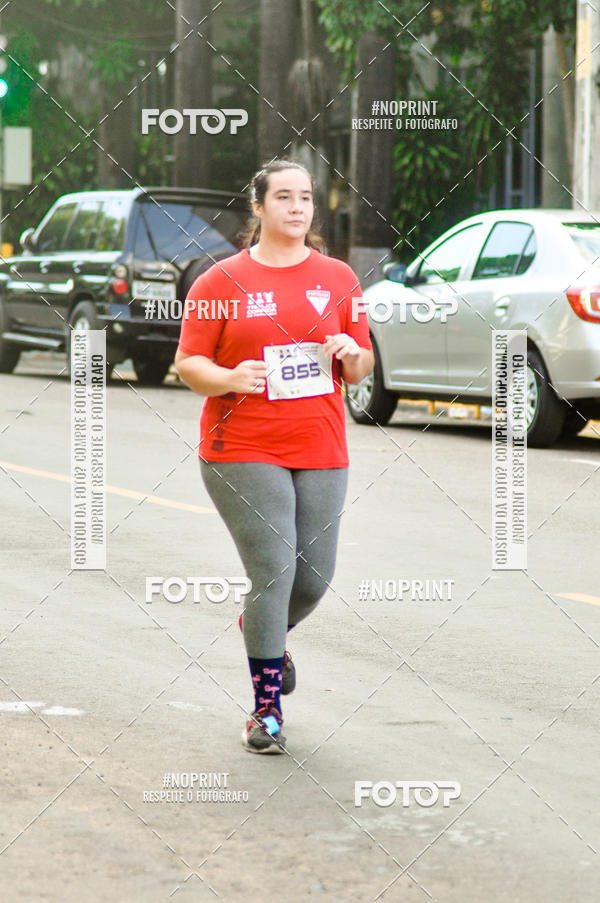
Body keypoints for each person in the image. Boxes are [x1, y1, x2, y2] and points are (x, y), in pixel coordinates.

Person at [175, 159, 374, 754]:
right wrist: (232, 377)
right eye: (283, 197)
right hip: (241, 446)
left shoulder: (339, 279)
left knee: (312, 580)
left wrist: (348, 349)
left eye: (306, 198)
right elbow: (190, 365)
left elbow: (362, 364)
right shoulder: (219, 283)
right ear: (257, 207)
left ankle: (262, 630)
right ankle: (266, 711)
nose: (296, 207)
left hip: (320, 445)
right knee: (275, 571)